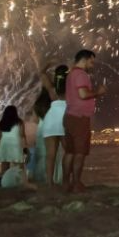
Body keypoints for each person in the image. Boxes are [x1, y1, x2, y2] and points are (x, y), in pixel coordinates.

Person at [63, 49, 105, 193]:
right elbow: (83, 94)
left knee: (69, 152)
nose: (92, 65)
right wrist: (98, 93)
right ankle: (76, 184)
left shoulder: (70, 74)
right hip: (80, 118)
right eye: (91, 61)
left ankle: (65, 183)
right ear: (85, 59)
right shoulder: (81, 74)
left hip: (69, 116)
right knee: (79, 152)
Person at [41, 64, 68, 186]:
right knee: (68, 152)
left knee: (50, 155)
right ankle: (66, 180)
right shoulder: (71, 88)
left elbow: (42, 73)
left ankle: (49, 182)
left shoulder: (52, 89)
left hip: (51, 119)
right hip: (65, 119)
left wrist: (49, 63)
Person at [0, 105, 27, 184]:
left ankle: (4, 182)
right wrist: (26, 147)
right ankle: (21, 182)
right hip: (15, 145)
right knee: (19, 167)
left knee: (5, 166)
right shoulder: (19, 122)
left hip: (4, 145)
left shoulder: (1, 123)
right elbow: (22, 135)